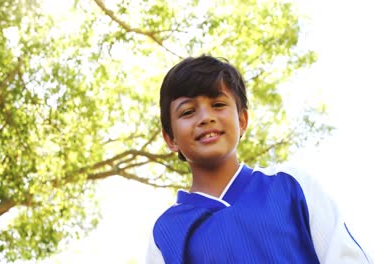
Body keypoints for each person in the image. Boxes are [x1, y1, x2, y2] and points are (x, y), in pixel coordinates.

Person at [146, 55, 372, 263]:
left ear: (242, 119)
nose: (206, 118)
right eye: (187, 112)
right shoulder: (166, 232)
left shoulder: (292, 186)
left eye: (218, 105)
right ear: (170, 138)